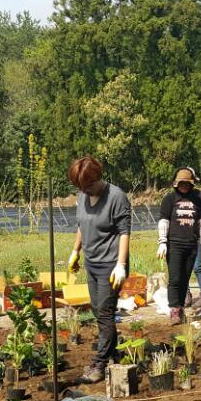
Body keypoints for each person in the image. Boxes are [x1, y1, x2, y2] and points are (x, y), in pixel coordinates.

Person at [66, 156, 131, 384]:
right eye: (80, 188)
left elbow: (124, 232)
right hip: (91, 263)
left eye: (87, 186)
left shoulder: (116, 197)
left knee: (104, 313)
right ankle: (114, 355)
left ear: (97, 178)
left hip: (111, 266)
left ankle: (100, 363)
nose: (84, 191)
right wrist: (76, 251)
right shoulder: (83, 196)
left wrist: (121, 265)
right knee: (97, 310)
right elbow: (82, 226)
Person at [157, 167, 201, 323]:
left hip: (192, 245)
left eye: (186, 183)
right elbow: (164, 221)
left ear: (191, 184)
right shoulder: (169, 199)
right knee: (175, 278)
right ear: (176, 183)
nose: (184, 186)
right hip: (174, 244)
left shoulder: (199, 198)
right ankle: (174, 309)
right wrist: (162, 242)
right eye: (181, 183)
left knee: (185, 279)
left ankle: (180, 307)